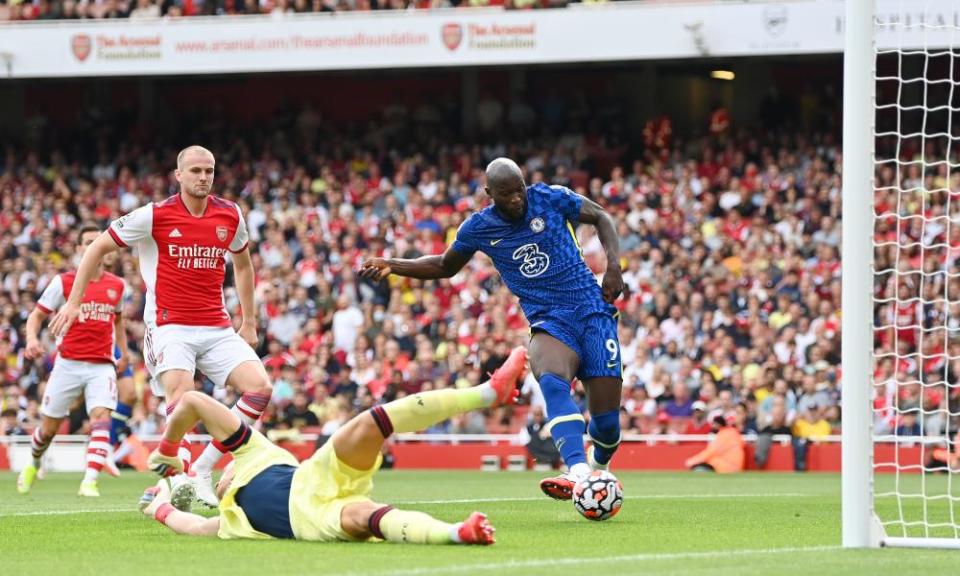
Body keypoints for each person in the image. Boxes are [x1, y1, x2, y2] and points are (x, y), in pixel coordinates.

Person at [360, 157, 624, 501]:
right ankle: (578, 472)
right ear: (489, 194)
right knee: (550, 378)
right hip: (549, 319)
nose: (516, 199)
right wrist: (393, 265)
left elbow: (601, 215)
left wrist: (614, 266)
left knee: (607, 427)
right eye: (507, 194)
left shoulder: (551, 197)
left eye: (519, 190)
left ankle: (597, 460)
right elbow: (444, 265)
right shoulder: (479, 228)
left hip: (592, 311)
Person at [49, 145, 272, 508]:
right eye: (196, 171)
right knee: (182, 396)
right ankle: (178, 479)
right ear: (179, 175)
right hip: (170, 325)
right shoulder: (154, 215)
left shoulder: (230, 214)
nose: (203, 177)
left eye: (209, 171)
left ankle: (201, 468)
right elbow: (96, 249)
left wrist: (249, 321)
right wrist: (73, 302)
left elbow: (244, 266)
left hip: (216, 325)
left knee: (260, 389)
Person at [139, 346, 528, 544]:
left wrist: (170, 448)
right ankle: (458, 533)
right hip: (311, 521)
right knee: (365, 517)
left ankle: (486, 393)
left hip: (314, 476)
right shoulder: (229, 521)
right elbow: (191, 525)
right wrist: (160, 507)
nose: (222, 479)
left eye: (222, 472)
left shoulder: (255, 452)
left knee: (366, 424)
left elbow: (193, 402)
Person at [17, 225, 129, 497]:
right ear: (78, 249)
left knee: (101, 417)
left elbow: (118, 321)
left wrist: (123, 352)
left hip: (102, 364)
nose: (92, 246)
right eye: (87, 242)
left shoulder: (117, 285)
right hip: (67, 363)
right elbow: (36, 316)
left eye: (97, 241)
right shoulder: (63, 282)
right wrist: (32, 339)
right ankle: (33, 462)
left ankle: (89, 481)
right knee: (48, 429)